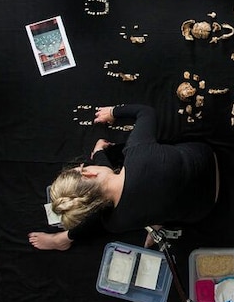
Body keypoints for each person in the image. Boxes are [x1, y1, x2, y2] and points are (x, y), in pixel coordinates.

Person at [28, 104, 218, 251]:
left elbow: (107, 183)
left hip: (205, 207)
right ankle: (64, 239)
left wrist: (100, 156)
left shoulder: (114, 223)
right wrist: (113, 111)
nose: (84, 165)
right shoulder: (136, 151)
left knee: (135, 205)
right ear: (89, 172)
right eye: (83, 167)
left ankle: (65, 238)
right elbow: (146, 112)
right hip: (206, 158)